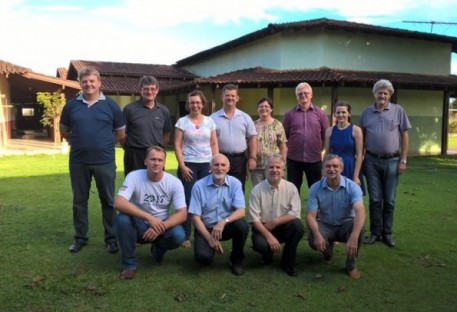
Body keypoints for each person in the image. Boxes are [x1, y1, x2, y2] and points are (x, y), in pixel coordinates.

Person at [60, 67, 125, 254]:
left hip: (104, 161)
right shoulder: (71, 106)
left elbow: (121, 133)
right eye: (85, 81)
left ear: (99, 83)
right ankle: (80, 238)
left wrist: (103, 144)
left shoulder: (111, 106)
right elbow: (64, 131)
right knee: (79, 201)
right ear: (80, 83)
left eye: (92, 81)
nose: (88, 84)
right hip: (78, 161)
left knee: (108, 200)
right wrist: (77, 142)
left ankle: (111, 239)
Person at [114, 146, 187, 280]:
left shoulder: (174, 182)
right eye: (153, 159)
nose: (156, 163)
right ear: (145, 161)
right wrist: (149, 217)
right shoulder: (134, 176)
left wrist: (161, 227)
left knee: (178, 234)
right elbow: (119, 202)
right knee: (122, 219)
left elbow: (182, 214)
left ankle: (157, 251)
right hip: (139, 224)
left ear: (164, 163)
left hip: (162, 225)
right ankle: (129, 265)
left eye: (160, 160)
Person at [359, 79, 411, 247]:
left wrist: (403, 159)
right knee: (375, 199)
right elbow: (362, 138)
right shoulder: (366, 112)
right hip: (372, 161)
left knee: (389, 200)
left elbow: (404, 136)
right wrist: (361, 159)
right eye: (379, 92)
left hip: (392, 161)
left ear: (390, 95)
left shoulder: (398, 110)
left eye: (385, 93)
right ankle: (375, 233)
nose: (382, 95)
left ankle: (387, 233)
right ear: (374, 94)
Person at [306, 154, 366, 280]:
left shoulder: (353, 187)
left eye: (335, 166)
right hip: (325, 224)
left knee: (359, 230)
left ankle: (351, 265)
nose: (331, 169)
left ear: (341, 168)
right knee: (313, 239)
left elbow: (360, 212)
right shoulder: (315, 188)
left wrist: (354, 237)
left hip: (346, 225)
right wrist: (317, 235)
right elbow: (310, 216)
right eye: (328, 166)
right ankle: (327, 253)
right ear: (323, 169)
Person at [188, 154, 249, 276]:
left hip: (225, 227)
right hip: (206, 228)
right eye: (216, 165)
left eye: (223, 165)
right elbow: (195, 217)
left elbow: (241, 211)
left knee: (242, 226)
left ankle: (236, 260)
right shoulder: (199, 185)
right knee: (204, 259)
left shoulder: (235, 183)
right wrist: (209, 238)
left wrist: (223, 222)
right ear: (210, 167)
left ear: (228, 168)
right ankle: (209, 247)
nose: (219, 168)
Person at [174, 90, 219, 248]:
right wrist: (183, 166)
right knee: (187, 200)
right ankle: (185, 235)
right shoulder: (182, 122)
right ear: (188, 104)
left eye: (198, 102)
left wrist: (215, 164)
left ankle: (203, 233)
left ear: (203, 104)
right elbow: (177, 146)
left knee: (206, 200)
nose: (195, 105)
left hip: (206, 166)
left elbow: (214, 144)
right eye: (192, 102)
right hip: (189, 166)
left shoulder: (210, 122)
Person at [248, 154, 304, 277]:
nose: (275, 170)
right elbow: (254, 219)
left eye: (278, 167)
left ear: (283, 170)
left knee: (297, 227)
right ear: (266, 169)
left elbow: (295, 213)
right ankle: (267, 253)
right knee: (261, 245)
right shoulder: (257, 190)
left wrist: (276, 221)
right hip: (263, 227)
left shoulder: (291, 188)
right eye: (271, 167)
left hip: (283, 226)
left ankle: (288, 262)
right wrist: (269, 236)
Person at [283, 82, 329, 195]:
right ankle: (293, 212)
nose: (303, 95)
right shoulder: (289, 115)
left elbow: (325, 135)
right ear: (296, 96)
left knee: (316, 190)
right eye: (300, 93)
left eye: (306, 93)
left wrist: (318, 149)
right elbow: (285, 136)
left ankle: (316, 213)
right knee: (293, 191)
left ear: (311, 95)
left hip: (314, 159)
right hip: (294, 159)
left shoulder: (321, 114)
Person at [210, 84, 257, 192]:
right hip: (220, 158)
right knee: (219, 188)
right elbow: (210, 141)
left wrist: (252, 158)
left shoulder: (245, 117)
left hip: (239, 159)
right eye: (227, 95)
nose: (230, 98)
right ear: (222, 97)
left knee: (238, 188)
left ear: (237, 98)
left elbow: (252, 138)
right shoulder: (213, 118)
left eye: (232, 95)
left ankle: (238, 209)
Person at [122, 76, 172, 176]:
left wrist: (158, 150)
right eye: (146, 89)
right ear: (140, 90)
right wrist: (129, 149)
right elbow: (122, 134)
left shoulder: (164, 111)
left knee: (156, 185)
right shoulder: (129, 109)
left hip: (156, 155)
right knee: (134, 186)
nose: (149, 92)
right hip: (134, 155)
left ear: (157, 90)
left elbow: (166, 134)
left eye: (153, 89)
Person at [324, 101, 365, 194]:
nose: (340, 115)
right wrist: (324, 172)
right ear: (334, 114)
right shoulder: (329, 131)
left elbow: (359, 155)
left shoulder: (356, 130)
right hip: (334, 166)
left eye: (343, 112)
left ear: (349, 113)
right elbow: (326, 153)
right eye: (338, 112)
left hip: (350, 166)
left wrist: (356, 175)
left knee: (351, 195)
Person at [250, 97, 287, 187]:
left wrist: (282, 165)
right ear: (257, 109)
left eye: (266, 106)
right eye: (261, 106)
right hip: (257, 167)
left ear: (271, 109)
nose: (264, 108)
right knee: (258, 190)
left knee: (273, 189)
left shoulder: (277, 125)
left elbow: (283, 147)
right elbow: (249, 144)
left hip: (273, 166)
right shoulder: (252, 125)